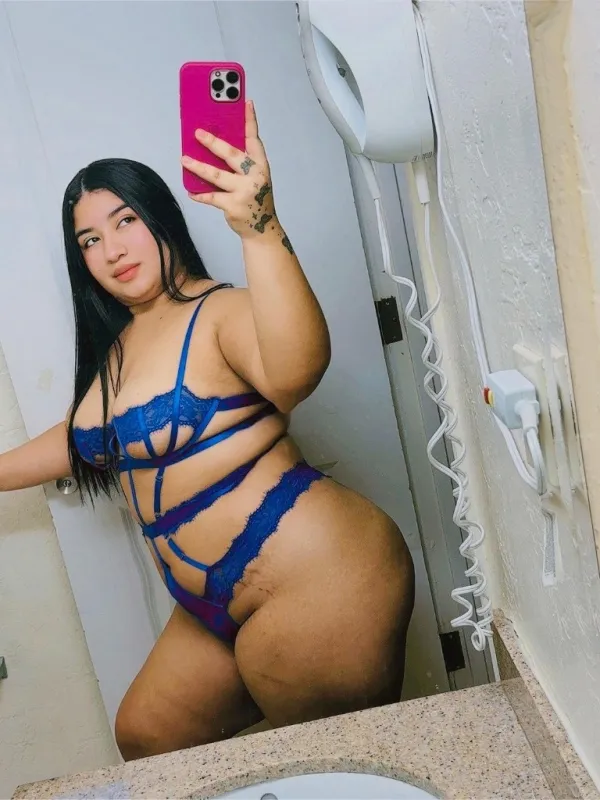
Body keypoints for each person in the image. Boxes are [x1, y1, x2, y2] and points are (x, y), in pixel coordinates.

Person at [0, 99, 414, 760]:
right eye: (90, 240)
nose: (111, 250)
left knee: (332, 765)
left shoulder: (217, 309)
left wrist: (260, 229)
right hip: (208, 605)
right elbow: (82, 439)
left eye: (125, 221)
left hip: (314, 574)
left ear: (160, 218)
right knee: (148, 734)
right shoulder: (118, 349)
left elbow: (295, 371)